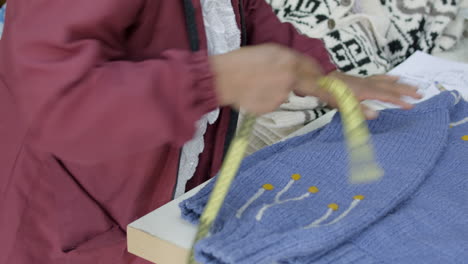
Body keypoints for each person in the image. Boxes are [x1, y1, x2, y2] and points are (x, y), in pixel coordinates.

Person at [0, 0, 420, 264]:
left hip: (168, 175)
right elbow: (56, 100)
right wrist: (212, 81)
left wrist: (314, 69)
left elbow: (245, 11)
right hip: (67, 206)